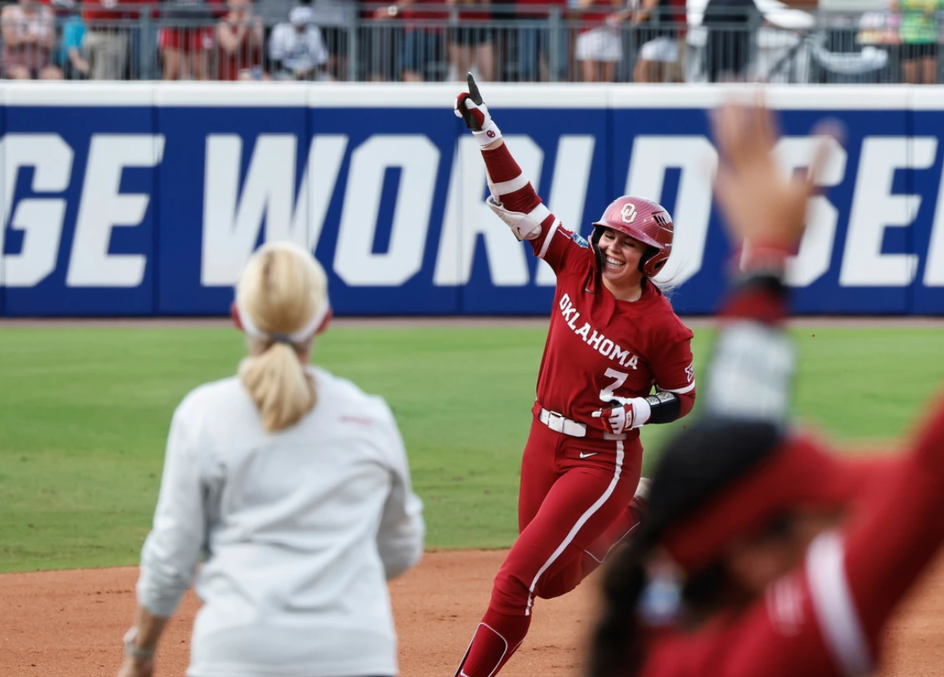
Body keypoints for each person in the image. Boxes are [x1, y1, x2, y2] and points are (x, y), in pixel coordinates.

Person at [587, 50, 944, 677]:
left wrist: (763, 261)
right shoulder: (789, 645)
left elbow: (737, 424)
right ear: (753, 556)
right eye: (816, 501)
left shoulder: (659, 621)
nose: (841, 499)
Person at [451, 74, 697, 677]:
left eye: (630, 242)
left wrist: (640, 411)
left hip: (599, 459)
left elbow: (683, 397)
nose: (614, 246)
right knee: (554, 580)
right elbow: (520, 203)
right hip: (543, 439)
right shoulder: (576, 264)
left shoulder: (660, 325)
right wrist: (488, 135)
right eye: (610, 232)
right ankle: (637, 515)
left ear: (652, 258)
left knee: (514, 580)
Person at [114, 241, 425, 677]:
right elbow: (400, 548)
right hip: (357, 651)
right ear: (325, 321)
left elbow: (171, 557)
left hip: (237, 650)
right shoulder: (369, 418)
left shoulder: (204, 414)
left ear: (239, 316)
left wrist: (141, 654)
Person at [892, 0, 944, 84]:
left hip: (929, 39)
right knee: (911, 81)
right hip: (909, 39)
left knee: (929, 81)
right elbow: (894, 7)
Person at [2, 0, 63, 80]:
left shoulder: (46, 13)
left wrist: (38, 40)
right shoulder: (9, 12)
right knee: (22, 75)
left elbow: (52, 43)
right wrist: (26, 38)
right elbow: (9, 40)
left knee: (55, 75)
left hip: (42, 64)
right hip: (15, 64)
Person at [268, 5, 329, 79]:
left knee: (331, 82)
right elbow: (275, 60)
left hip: (311, 73)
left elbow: (321, 59)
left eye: (304, 25)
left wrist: (310, 72)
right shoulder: (280, 31)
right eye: (298, 26)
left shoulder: (314, 32)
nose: (301, 28)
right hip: (286, 72)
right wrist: (293, 72)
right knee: (289, 84)